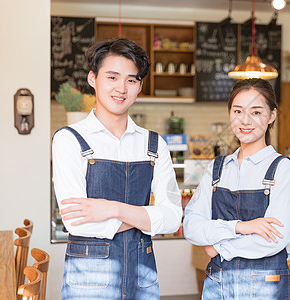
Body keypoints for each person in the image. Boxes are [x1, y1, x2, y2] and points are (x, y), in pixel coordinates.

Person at [52, 38, 182, 299]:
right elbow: (76, 222)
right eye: (112, 77)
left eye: (131, 80)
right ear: (93, 78)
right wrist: (143, 219)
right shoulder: (68, 139)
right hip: (88, 281)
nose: (121, 88)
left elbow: (172, 218)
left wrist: (111, 209)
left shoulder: (154, 144)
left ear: (140, 86)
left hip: (143, 276)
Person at [183, 78, 290, 299]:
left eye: (256, 112)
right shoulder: (216, 168)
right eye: (238, 111)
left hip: (266, 285)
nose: (245, 120)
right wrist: (242, 227)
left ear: (272, 115)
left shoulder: (281, 168)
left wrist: (219, 247)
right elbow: (191, 226)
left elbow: (276, 237)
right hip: (217, 282)